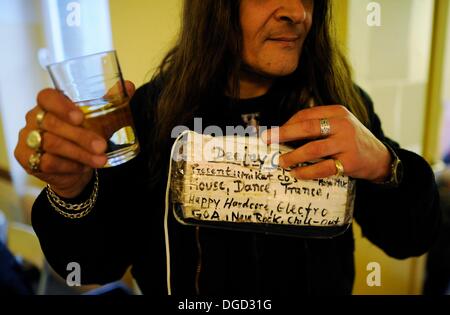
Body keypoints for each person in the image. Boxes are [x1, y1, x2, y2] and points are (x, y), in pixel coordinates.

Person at [14, 0, 440, 295]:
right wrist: (70, 191)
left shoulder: (341, 106)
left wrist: (388, 166)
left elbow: (411, 238)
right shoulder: (148, 113)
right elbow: (88, 269)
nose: (297, 12)